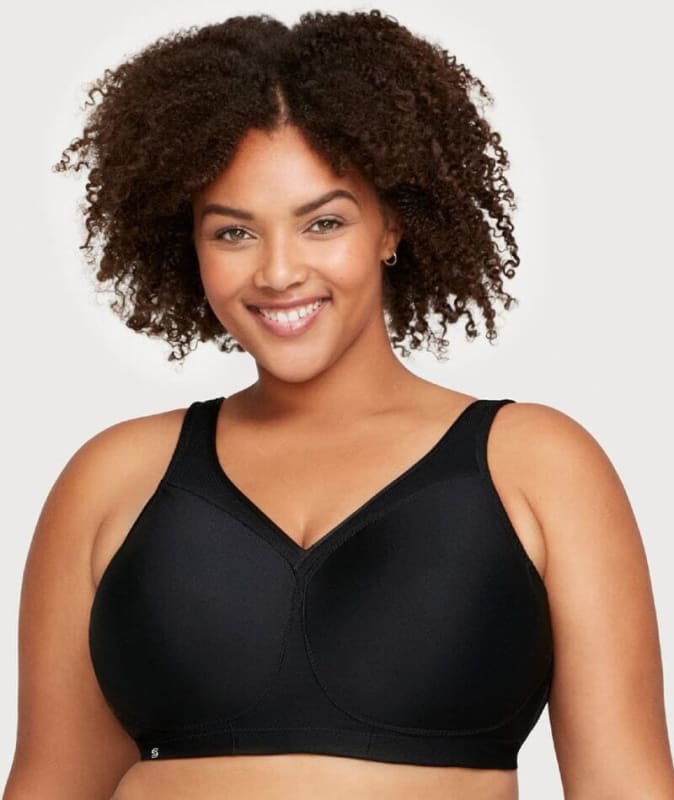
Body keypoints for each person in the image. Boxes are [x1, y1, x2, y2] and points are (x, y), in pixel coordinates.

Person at [4, 9, 674, 800]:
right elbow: (51, 783)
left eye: (323, 223)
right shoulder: (114, 479)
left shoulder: (537, 467)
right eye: (233, 233)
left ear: (392, 225)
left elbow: (627, 785)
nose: (278, 272)